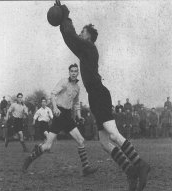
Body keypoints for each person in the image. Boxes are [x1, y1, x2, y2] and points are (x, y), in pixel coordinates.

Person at [54, 3, 150, 191]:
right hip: (95, 95)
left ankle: (141, 164)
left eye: (83, 31)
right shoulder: (84, 50)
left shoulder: (89, 47)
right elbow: (70, 39)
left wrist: (65, 16)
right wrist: (63, 20)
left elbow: (72, 37)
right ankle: (130, 172)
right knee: (105, 142)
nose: (81, 33)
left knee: (112, 134)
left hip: (99, 93)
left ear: (89, 36)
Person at [22, 64, 98, 176]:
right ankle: (29, 159)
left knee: (81, 140)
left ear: (78, 73)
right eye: (72, 71)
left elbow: (76, 103)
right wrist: (55, 107)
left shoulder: (77, 88)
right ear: (69, 72)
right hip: (59, 115)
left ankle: (86, 168)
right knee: (47, 146)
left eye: (75, 71)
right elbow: (53, 94)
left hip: (68, 116)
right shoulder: (63, 82)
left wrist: (79, 115)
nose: (73, 73)